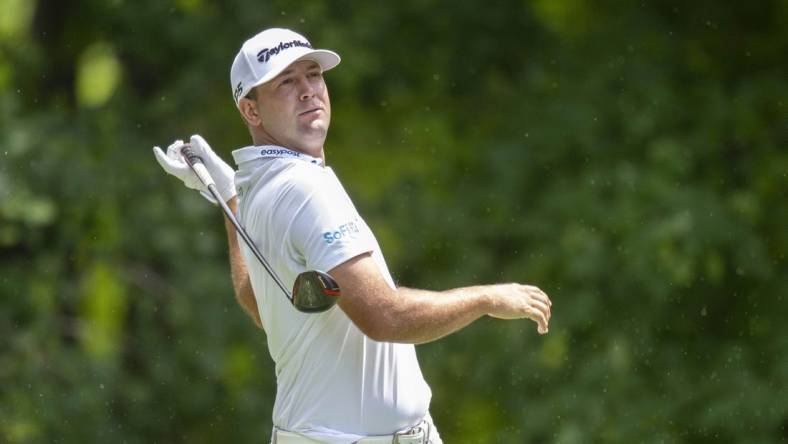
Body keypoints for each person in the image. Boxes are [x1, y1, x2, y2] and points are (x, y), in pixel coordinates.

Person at [154, 27, 552, 444]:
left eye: (313, 75)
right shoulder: (304, 189)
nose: (308, 90)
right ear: (251, 111)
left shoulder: (258, 185)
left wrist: (229, 198)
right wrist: (487, 299)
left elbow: (258, 303)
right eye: (286, 82)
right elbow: (385, 316)